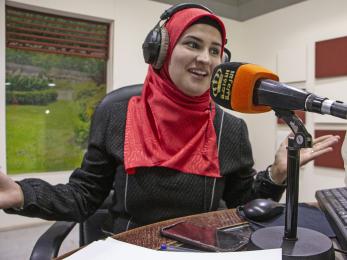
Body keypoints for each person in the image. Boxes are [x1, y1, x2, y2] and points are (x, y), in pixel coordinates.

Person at [0, 4, 339, 235]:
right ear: (161, 51)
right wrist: (21, 194)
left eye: (215, 50)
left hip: (203, 249)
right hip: (129, 249)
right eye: (192, 44)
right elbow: (83, 196)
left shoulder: (230, 128)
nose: (205, 59)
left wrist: (277, 175)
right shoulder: (116, 113)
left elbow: (241, 207)